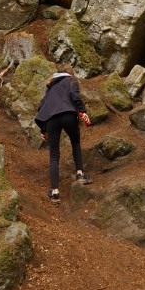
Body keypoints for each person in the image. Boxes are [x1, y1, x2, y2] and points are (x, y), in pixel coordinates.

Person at [34, 64, 92, 204]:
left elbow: (42, 106)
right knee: (75, 142)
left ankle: (55, 192)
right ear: (70, 73)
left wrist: (43, 129)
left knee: (54, 155)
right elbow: (75, 95)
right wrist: (83, 111)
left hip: (51, 120)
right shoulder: (71, 81)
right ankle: (80, 174)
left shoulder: (51, 86)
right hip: (68, 116)